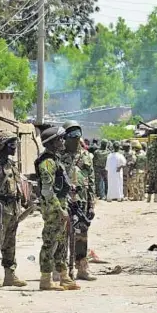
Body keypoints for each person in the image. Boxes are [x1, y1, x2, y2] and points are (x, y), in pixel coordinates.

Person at [0, 132, 28, 288]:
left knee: (10, 243)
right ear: (2, 146)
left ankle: (10, 274)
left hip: (13, 209)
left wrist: (24, 202)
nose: (15, 148)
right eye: (11, 144)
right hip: (0, 208)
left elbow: (16, 185)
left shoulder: (11, 165)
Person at [35, 126, 77, 291]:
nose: (63, 141)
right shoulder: (47, 162)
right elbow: (47, 190)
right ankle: (45, 279)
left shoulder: (55, 159)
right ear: (51, 143)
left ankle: (63, 276)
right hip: (53, 208)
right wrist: (60, 209)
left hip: (60, 204)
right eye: (59, 139)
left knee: (61, 242)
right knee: (50, 242)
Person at [61, 120, 97, 282]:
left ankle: (82, 267)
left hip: (81, 201)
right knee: (61, 235)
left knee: (82, 236)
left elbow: (92, 181)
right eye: (71, 134)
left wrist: (92, 205)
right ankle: (61, 269)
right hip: (64, 201)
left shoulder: (88, 156)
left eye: (77, 134)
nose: (75, 138)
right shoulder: (59, 156)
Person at [145, 135, 157, 203]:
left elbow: (147, 158)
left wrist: (147, 167)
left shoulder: (149, 147)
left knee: (151, 182)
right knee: (156, 183)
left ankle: (149, 198)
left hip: (152, 167)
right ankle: (155, 198)